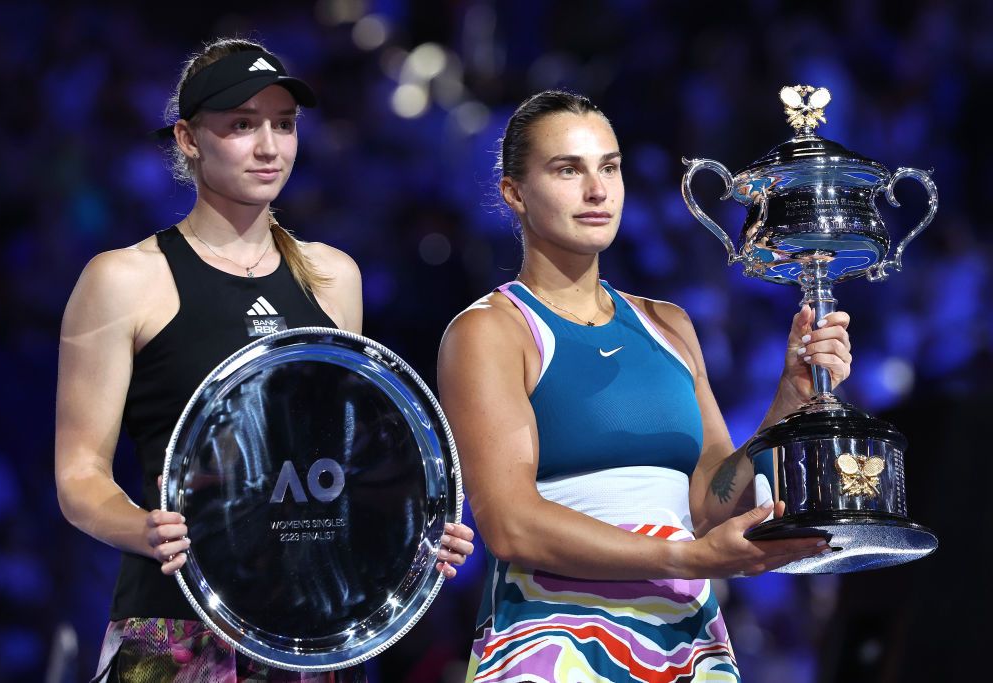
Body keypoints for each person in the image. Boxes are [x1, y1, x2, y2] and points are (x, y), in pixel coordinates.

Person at [54, 37, 475, 682]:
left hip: (318, 635)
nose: (269, 146)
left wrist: (413, 530)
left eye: (284, 125)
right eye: (241, 126)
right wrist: (144, 530)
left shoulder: (334, 278)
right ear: (189, 138)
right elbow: (79, 476)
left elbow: (338, 464)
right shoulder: (123, 280)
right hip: (181, 630)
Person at [437, 90, 852, 682]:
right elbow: (511, 525)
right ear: (514, 192)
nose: (597, 190)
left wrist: (791, 398)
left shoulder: (669, 324)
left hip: (685, 643)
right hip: (557, 647)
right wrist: (687, 557)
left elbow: (710, 502)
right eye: (568, 169)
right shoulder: (490, 331)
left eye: (609, 166)